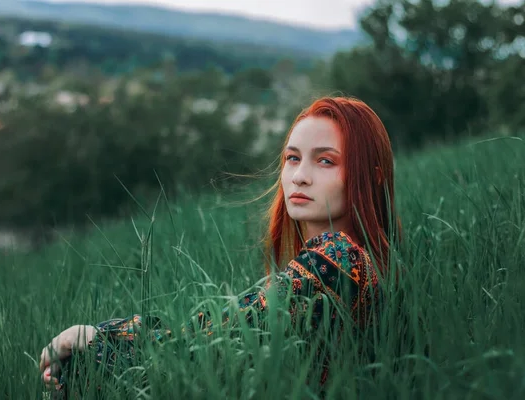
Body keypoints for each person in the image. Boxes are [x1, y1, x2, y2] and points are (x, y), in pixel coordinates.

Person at [38, 96, 400, 394]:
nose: (299, 175)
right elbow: (216, 330)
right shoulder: (346, 259)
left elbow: (212, 339)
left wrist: (97, 339)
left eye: (325, 161)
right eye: (292, 158)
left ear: (371, 175)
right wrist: (102, 337)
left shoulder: (337, 257)